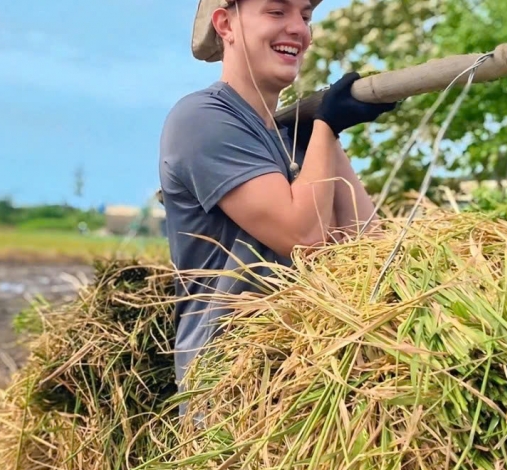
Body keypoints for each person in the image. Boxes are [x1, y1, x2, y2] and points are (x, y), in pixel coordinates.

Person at [158, 0, 398, 413]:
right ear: (226, 23)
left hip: (313, 382)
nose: (298, 29)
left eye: (304, 16)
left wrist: (324, 135)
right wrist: (328, 124)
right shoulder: (202, 119)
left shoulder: (294, 139)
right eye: (276, 12)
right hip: (228, 395)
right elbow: (301, 237)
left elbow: (367, 246)